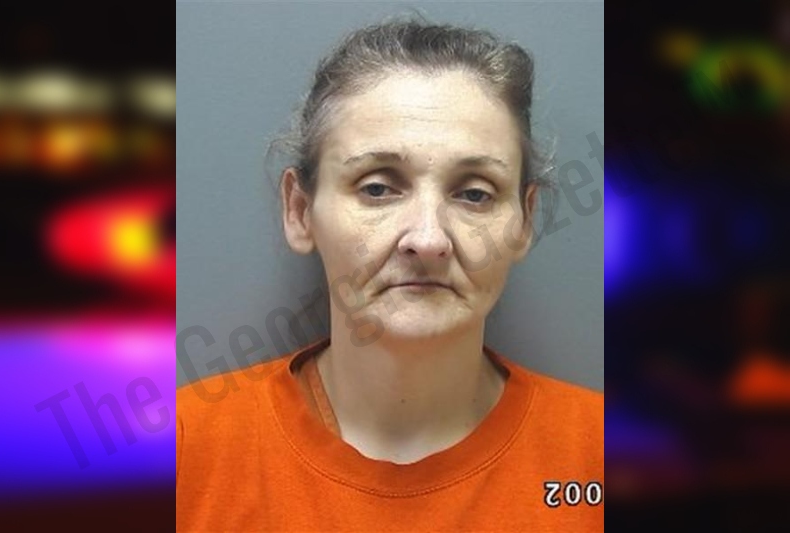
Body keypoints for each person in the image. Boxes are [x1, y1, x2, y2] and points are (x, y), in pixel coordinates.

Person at [176, 15, 603, 532]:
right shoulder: (183, 452)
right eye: (377, 188)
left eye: (474, 193)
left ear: (525, 221)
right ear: (300, 211)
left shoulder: (603, 457)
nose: (428, 239)